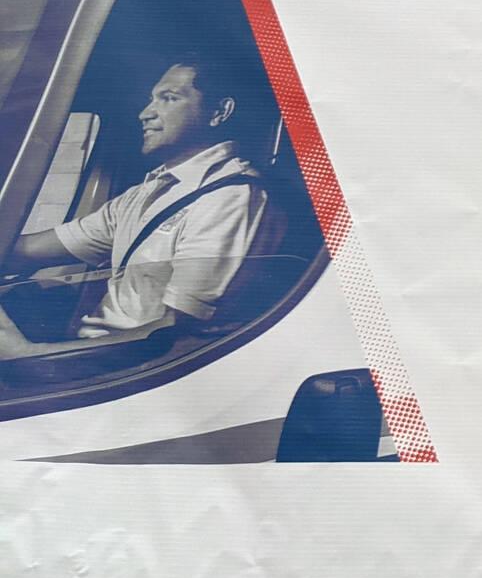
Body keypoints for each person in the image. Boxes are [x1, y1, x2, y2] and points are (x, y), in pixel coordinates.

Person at [0, 56, 283, 360]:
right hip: (95, 352)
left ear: (218, 112)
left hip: (134, 372)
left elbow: (177, 338)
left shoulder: (232, 197)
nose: (144, 114)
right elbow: (28, 251)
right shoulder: (149, 192)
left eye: (168, 98)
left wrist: (31, 355)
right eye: (151, 100)